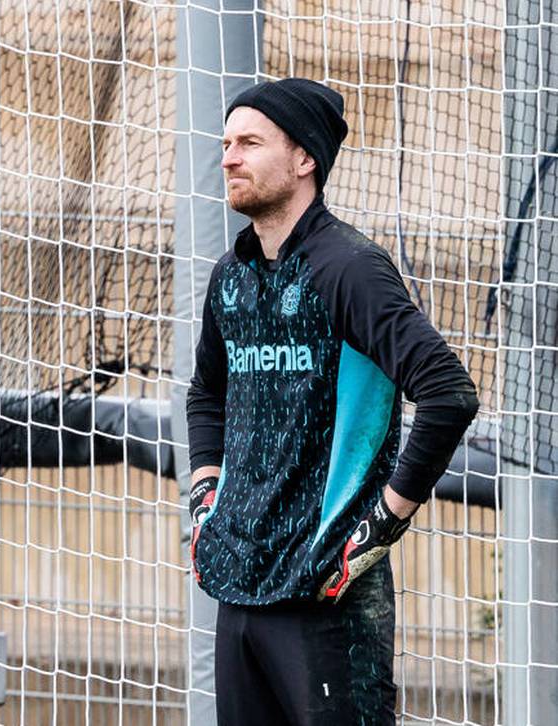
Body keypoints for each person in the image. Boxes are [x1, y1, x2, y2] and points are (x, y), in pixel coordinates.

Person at [186, 78, 479, 725]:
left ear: (304, 159)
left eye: (250, 142)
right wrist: (204, 501)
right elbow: (206, 392)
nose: (229, 157)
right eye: (226, 142)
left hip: (328, 602)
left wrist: (379, 526)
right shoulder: (230, 277)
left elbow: (449, 392)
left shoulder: (348, 268)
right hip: (238, 592)